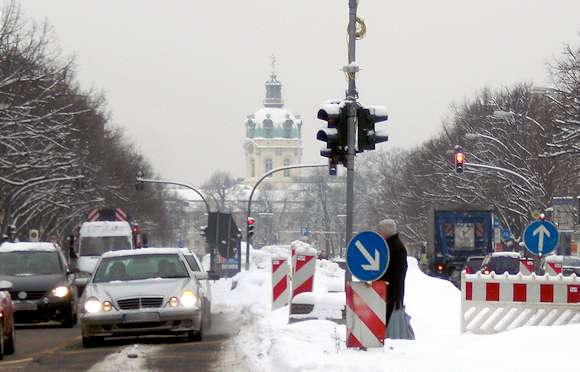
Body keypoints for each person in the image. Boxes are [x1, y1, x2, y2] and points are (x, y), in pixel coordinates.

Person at [377, 219, 408, 326]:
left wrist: (396, 298)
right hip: (389, 293)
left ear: (385, 232)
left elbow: (397, 275)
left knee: (390, 323)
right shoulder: (391, 245)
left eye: (379, 231)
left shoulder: (394, 247)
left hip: (390, 294)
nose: (378, 234)